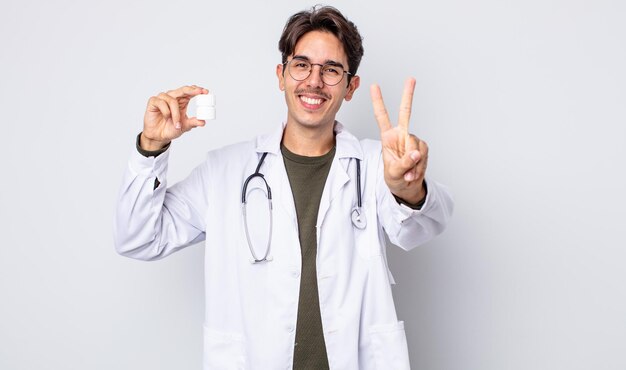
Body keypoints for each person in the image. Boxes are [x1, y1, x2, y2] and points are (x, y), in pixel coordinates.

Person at [114, 5, 453, 370]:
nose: (314, 81)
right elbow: (137, 238)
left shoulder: (375, 165)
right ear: (281, 75)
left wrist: (407, 188)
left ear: (351, 86)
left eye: (332, 70)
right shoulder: (224, 172)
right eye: (302, 64)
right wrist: (151, 148)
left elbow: (419, 229)